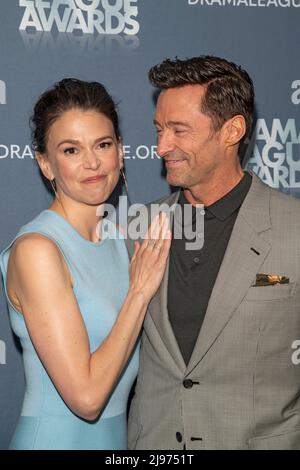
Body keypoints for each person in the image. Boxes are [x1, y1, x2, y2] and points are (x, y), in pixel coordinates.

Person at [127, 56, 300, 450]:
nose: (160, 147)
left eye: (179, 130)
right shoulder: (136, 227)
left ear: (232, 130)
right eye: (158, 129)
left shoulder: (295, 228)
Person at [0, 78, 171, 450]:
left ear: (120, 152)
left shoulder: (122, 239)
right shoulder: (38, 250)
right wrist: (139, 293)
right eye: (71, 150)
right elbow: (87, 398)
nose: (92, 162)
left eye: (103, 144)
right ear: (46, 165)